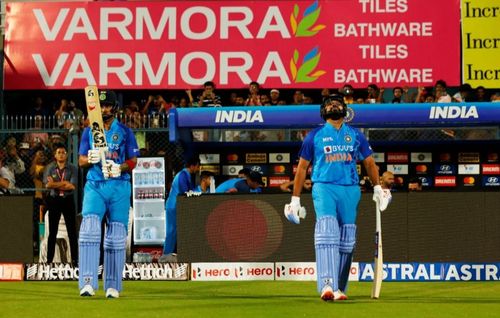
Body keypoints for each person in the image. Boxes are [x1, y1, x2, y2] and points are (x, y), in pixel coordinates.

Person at [284, 93, 391, 302]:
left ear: (345, 109)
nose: (333, 106)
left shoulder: (356, 135)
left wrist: (378, 187)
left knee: (347, 239)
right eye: (329, 104)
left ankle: (340, 287)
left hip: (350, 189)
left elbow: (369, 163)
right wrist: (295, 199)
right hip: (324, 187)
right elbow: (302, 168)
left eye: (337, 103)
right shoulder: (314, 136)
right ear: (323, 111)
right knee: (327, 231)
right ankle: (326, 284)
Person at [78, 90, 139, 298]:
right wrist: (90, 159)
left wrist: (119, 168)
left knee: (115, 237)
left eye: (107, 106)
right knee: (89, 231)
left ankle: (112, 285)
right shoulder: (89, 132)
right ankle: (87, 283)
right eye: (100, 106)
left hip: (119, 187)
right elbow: (80, 161)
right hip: (95, 185)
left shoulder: (124, 131)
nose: (103, 109)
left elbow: (133, 161)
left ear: (114, 108)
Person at [43, 143, 78, 264]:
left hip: (68, 200)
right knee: (52, 232)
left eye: (63, 152)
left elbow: (72, 186)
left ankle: (75, 260)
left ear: (67, 154)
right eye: (59, 152)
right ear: (55, 155)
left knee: (72, 232)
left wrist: (55, 184)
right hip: (54, 200)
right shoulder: (49, 168)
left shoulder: (73, 168)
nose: (61, 154)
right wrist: (64, 183)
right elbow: (47, 185)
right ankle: (48, 261)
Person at [162, 157, 200, 256]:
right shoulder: (183, 175)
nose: (198, 169)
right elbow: (185, 192)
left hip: (177, 206)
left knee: (175, 232)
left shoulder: (186, 175)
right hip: (173, 206)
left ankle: (171, 254)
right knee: (171, 231)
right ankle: (166, 256)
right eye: (197, 166)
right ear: (192, 166)